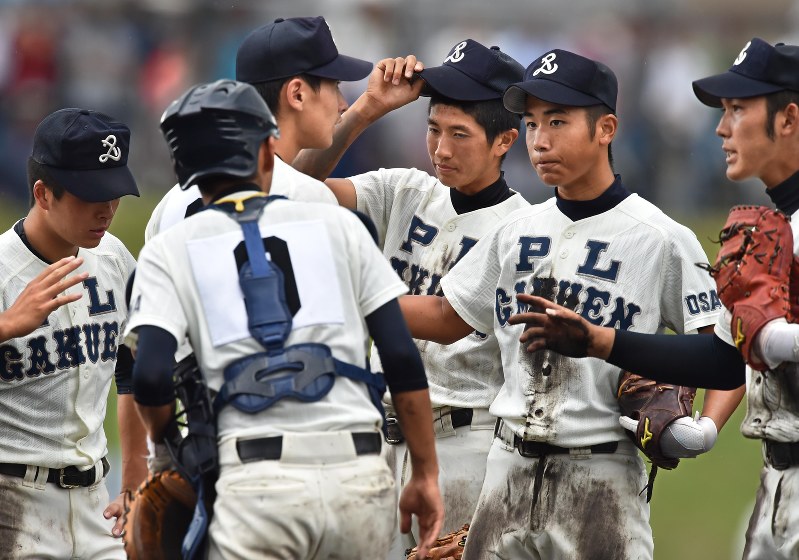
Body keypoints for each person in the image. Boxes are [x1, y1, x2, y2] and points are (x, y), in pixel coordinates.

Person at [396, 48, 745, 559]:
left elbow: (725, 350)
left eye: (557, 122)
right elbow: (448, 316)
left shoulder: (660, 238)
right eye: (532, 123)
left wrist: (707, 428)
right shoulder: (515, 230)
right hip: (506, 470)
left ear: (606, 129)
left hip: (600, 481)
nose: (540, 140)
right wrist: (357, 302)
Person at [123, 79, 444, 559]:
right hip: (360, 476)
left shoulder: (168, 250)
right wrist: (424, 473)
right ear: (266, 151)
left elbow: (149, 377)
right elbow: (400, 356)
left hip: (257, 484)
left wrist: (168, 450)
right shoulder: (344, 225)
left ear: (185, 171)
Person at [510, 38, 799, 560]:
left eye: (738, 109)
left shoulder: (666, 235)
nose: (721, 127)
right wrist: (599, 342)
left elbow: (748, 348)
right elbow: (725, 358)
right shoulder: (777, 228)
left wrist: (771, 337)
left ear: (789, 119)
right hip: (778, 479)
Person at [295, 38, 529, 554]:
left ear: (505, 140)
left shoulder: (523, 230)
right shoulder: (404, 190)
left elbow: (445, 320)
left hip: (462, 448)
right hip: (373, 443)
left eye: (460, 134)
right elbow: (291, 187)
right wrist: (367, 107)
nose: (441, 149)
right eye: (433, 129)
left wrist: (336, 294)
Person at [0, 107, 147, 558]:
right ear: (43, 194)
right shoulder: (3, 270)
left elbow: (133, 368)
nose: (107, 210)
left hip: (97, 507)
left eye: (114, 193)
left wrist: (134, 477)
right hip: (13, 505)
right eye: (90, 196)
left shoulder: (114, 258)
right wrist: (6, 326)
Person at [145, 15, 388, 240]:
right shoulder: (308, 196)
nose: (343, 104)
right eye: (335, 86)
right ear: (297, 94)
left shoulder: (168, 204)